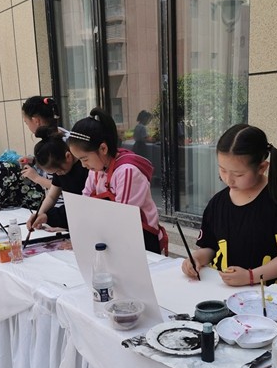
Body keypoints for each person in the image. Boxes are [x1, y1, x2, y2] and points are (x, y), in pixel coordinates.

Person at [181, 124, 277, 287]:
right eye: (222, 170)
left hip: (265, 295)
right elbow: (210, 246)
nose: (228, 179)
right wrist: (196, 258)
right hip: (221, 290)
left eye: (238, 174)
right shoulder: (217, 202)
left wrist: (250, 276)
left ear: (261, 167)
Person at [67, 107, 167, 255]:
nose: (83, 165)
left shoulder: (127, 171)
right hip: (111, 236)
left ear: (103, 148)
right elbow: (85, 203)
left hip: (140, 240)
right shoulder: (96, 170)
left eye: (85, 159)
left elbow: (122, 218)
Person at [26, 126, 89, 231]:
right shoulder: (60, 169)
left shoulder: (85, 168)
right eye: (54, 173)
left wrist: (48, 217)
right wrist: (39, 214)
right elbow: (51, 197)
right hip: (72, 217)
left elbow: (81, 205)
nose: (58, 174)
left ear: (68, 156)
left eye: (58, 171)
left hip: (83, 218)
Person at [20, 96, 68, 190]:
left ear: (36, 121)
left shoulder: (62, 144)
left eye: (27, 123)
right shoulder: (60, 137)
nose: (28, 127)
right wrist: (34, 160)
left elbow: (65, 185)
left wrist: (36, 178)